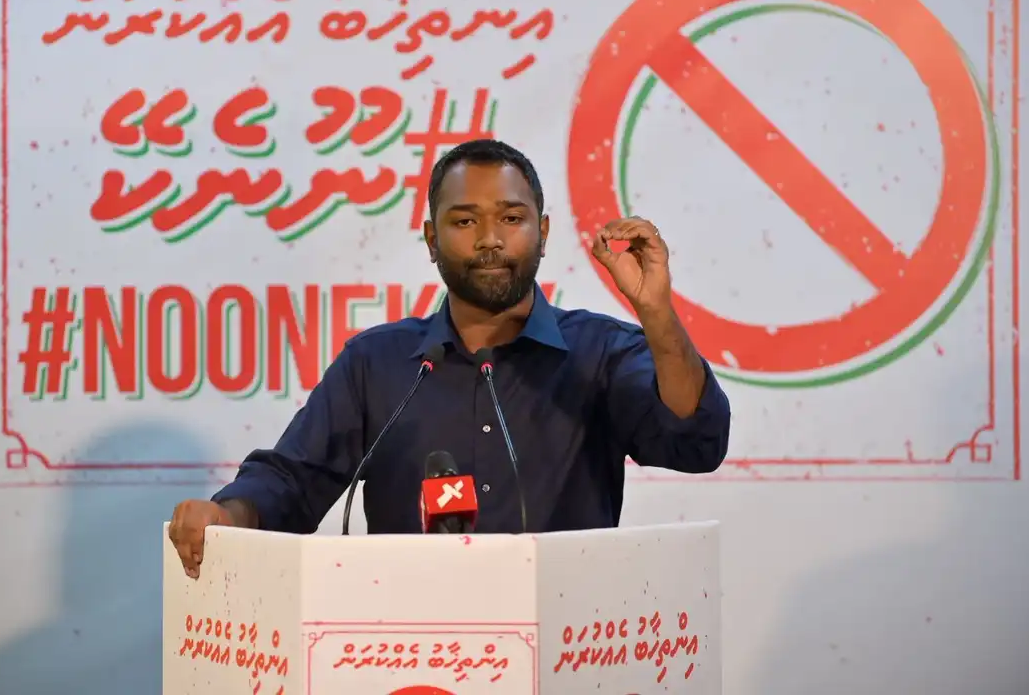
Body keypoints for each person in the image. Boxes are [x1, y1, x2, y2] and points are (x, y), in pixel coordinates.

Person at [169, 139, 731, 578]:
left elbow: (694, 440)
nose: (489, 240)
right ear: (431, 239)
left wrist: (656, 312)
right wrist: (229, 515)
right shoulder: (377, 363)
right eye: (464, 222)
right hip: (411, 656)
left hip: (565, 653)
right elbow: (292, 482)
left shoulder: (600, 351)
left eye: (511, 219)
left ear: (542, 233)